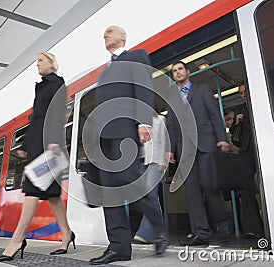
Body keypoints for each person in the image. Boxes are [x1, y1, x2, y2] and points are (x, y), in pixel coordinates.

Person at [88, 25, 167, 265]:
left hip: (124, 131)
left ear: (123, 36)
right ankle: (119, 247)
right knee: (109, 194)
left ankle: (159, 227)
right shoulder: (104, 70)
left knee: (130, 183)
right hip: (103, 137)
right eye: (104, 33)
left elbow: (143, 87)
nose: (105, 35)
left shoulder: (136, 55)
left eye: (110, 31)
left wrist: (144, 122)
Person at [0, 52, 73, 262]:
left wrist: (53, 139)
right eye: (37, 61)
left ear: (52, 63)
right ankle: (67, 234)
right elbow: (36, 117)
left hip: (47, 142)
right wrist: (26, 145)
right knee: (52, 194)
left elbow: (57, 112)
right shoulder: (41, 85)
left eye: (41, 61)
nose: (37, 64)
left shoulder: (57, 83)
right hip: (37, 141)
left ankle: (17, 240)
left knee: (32, 189)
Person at [166, 61, 232, 246]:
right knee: (193, 192)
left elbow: (214, 115)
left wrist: (222, 138)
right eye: (174, 71)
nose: (178, 72)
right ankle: (201, 233)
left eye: (180, 69)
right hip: (185, 151)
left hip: (205, 145)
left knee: (209, 186)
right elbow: (171, 126)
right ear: (173, 76)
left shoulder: (202, 90)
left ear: (187, 72)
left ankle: (223, 225)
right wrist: (170, 149)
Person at [229, 84, 263, 236]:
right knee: (247, 188)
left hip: (263, 147)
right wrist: (237, 122)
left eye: (245, 92)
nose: (243, 95)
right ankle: (253, 227)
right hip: (246, 151)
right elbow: (234, 135)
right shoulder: (239, 111)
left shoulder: (261, 103)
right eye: (241, 93)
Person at [133, 113, 168, 244]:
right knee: (147, 197)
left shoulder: (160, 120)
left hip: (156, 161)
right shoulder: (139, 121)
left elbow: (165, 140)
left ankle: (146, 233)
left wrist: (163, 163)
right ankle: (157, 231)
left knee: (150, 196)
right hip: (143, 162)